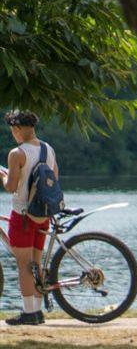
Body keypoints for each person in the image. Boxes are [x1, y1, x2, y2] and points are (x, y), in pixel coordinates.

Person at [2, 111, 55, 326]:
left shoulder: (17, 153)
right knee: (36, 262)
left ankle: (28, 313)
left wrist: (3, 175)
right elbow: (53, 180)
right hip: (43, 215)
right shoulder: (48, 149)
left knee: (23, 266)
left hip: (23, 215)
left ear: (16, 129)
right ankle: (38, 311)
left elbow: (11, 187)